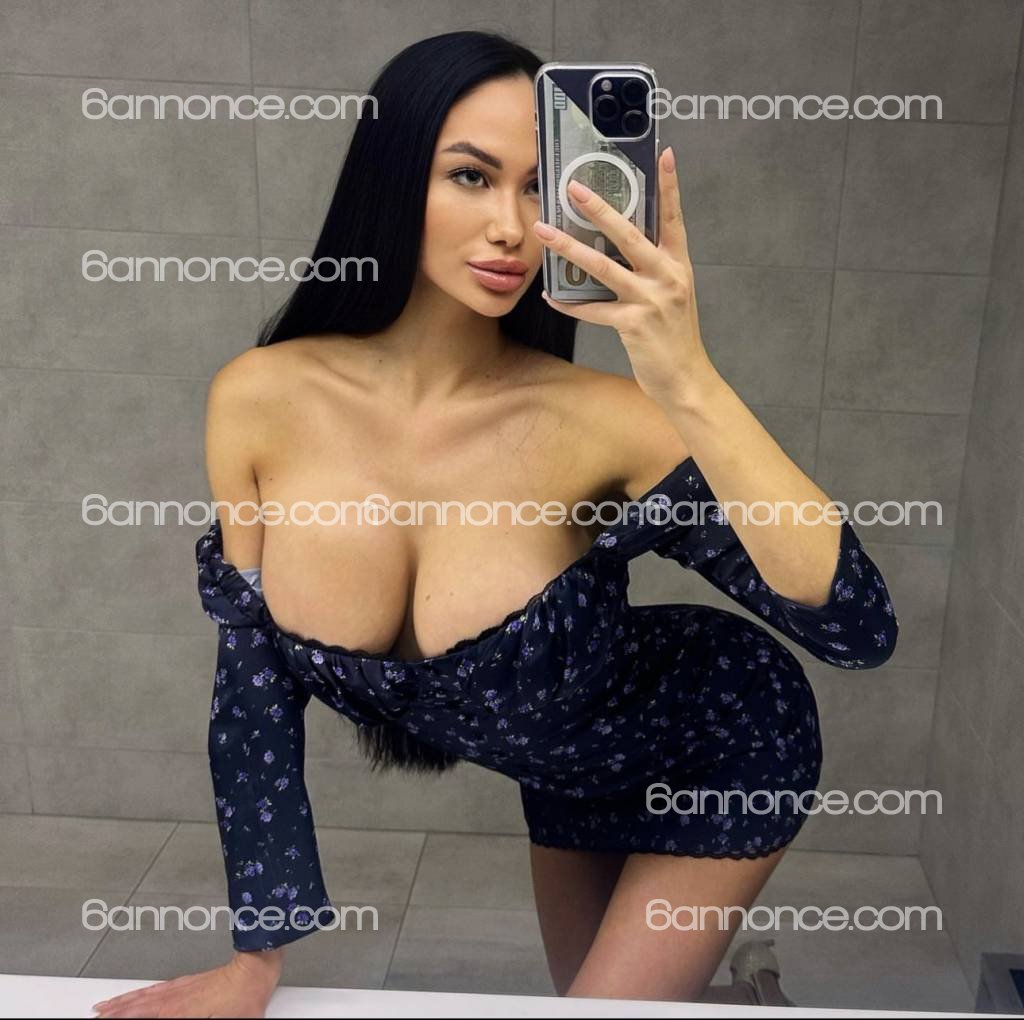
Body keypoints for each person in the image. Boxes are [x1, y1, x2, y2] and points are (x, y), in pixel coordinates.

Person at [93, 30, 897, 1018]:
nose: (512, 227)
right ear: (394, 175)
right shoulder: (258, 399)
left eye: (541, 188)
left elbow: (855, 629)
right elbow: (252, 692)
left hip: (716, 742)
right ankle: (755, 988)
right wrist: (254, 961)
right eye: (471, 176)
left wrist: (687, 378)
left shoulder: (607, 424)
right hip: (559, 774)